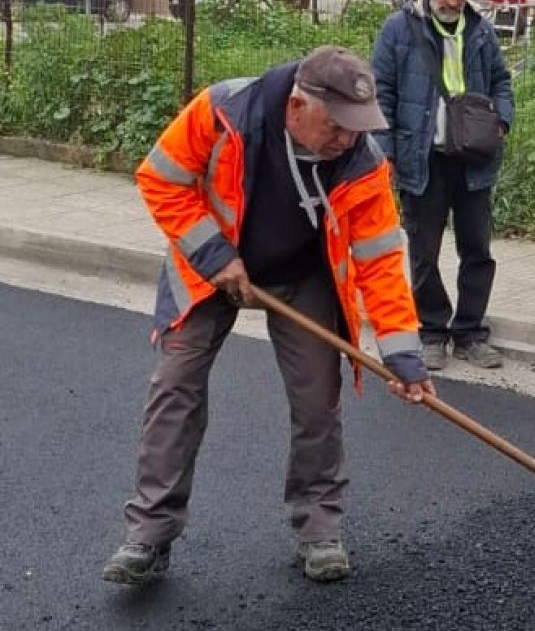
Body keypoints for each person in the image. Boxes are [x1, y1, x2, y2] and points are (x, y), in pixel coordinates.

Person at [102, 45, 433, 587]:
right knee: (175, 386)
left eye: (357, 128)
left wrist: (404, 358)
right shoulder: (225, 110)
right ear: (298, 106)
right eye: (338, 126)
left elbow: (379, 263)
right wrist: (213, 255)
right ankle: (149, 533)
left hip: (302, 275)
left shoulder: (362, 162)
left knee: (316, 398)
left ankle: (319, 528)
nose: (347, 139)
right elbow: (161, 178)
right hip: (210, 265)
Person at [371, 0, 514, 371]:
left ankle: (470, 331)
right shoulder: (398, 30)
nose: (454, 1)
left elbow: (502, 81)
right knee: (424, 250)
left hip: (473, 157)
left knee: (477, 248)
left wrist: (502, 120)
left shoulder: (481, 31)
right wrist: (387, 153)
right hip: (422, 157)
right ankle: (431, 329)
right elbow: (382, 94)